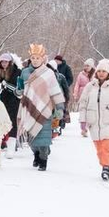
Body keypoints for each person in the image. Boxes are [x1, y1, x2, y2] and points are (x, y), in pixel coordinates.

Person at [17, 44, 65, 172]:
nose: (35, 60)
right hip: (28, 108)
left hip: (45, 108)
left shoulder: (49, 73)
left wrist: (59, 108)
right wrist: (18, 90)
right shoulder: (25, 72)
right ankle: (36, 155)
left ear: (43, 59)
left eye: (38, 58)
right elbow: (21, 89)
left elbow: (56, 91)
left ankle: (43, 160)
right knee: (31, 138)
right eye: (33, 57)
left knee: (43, 138)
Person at [0, 53, 22, 154]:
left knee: (12, 122)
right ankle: (0, 143)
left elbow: (19, 88)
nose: (4, 64)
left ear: (10, 62)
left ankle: (11, 147)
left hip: (13, 101)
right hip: (0, 101)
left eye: (6, 62)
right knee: (0, 121)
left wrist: (8, 86)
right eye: (2, 62)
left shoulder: (17, 72)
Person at [47, 59, 71, 136]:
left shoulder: (61, 77)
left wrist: (66, 98)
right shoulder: (45, 76)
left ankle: (55, 129)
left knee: (57, 114)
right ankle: (50, 130)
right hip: (48, 98)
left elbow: (65, 89)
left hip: (58, 98)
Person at [73, 58, 96, 137]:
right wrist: (75, 94)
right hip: (82, 95)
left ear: (91, 67)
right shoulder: (81, 74)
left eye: (88, 66)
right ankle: (83, 129)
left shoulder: (95, 74)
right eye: (85, 65)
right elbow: (77, 84)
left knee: (90, 113)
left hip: (92, 96)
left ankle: (90, 127)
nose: (86, 67)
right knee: (82, 111)